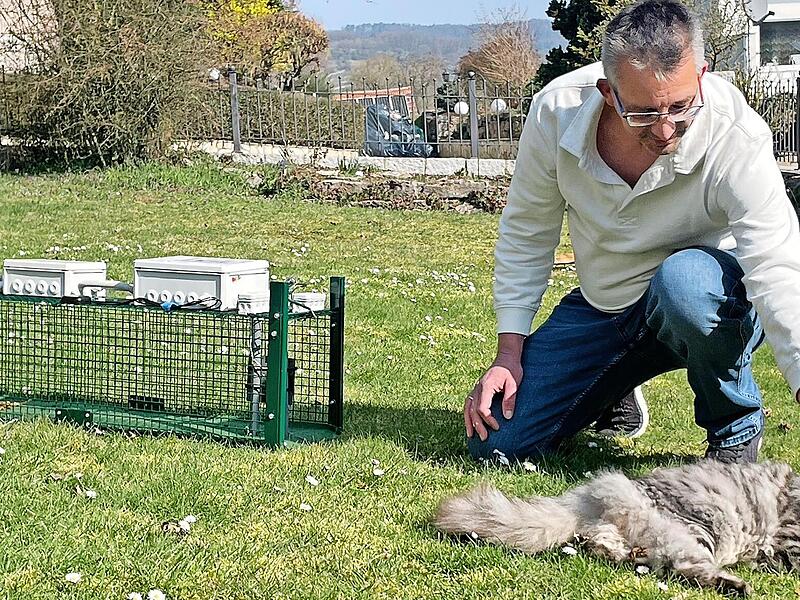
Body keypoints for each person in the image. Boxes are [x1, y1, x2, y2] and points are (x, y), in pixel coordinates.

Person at [465, 0, 800, 464]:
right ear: (608, 92)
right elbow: (527, 232)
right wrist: (508, 354)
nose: (665, 130)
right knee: (494, 444)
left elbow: (776, 262)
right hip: (607, 305)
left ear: (701, 75)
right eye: (642, 113)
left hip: (708, 301)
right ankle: (616, 389)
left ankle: (734, 429)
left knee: (685, 283)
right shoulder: (554, 113)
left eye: (680, 108)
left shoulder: (736, 134)